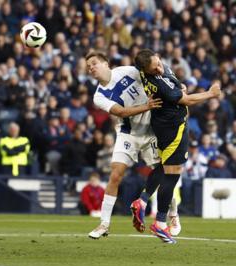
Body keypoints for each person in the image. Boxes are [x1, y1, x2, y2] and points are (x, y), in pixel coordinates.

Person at [131, 49, 221, 243]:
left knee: (163, 167)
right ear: (146, 70)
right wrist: (211, 94)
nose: (159, 67)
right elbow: (186, 99)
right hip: (174, 129)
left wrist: (177, 83)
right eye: (154, 67)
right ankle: (161, 223)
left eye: (159, 62)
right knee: (172, 175)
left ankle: (142, 200)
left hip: (161, 124)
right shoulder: (160, 84)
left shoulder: (149, 71)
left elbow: (178, 83)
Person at [85, 51, 163, 239]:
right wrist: (147, 106)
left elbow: (155, 77)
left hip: (151, 130)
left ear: (106, 63)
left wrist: (177, 88)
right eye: (88, 67)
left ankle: (171, 216)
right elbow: (120, 111)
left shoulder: (127, 71)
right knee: (115, 174)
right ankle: (104, 224)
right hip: (128, 133)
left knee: (163, 175)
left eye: (94, 63)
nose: (91, 68)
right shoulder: (99, 96)